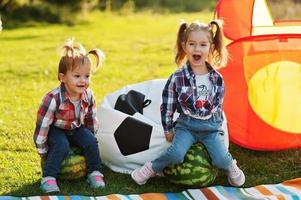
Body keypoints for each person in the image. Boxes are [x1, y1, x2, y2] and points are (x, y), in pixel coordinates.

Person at [131, 19, 245, 187]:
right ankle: (152, 167)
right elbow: (167, 105)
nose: (197, 49)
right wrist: (168, 128)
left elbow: (218, 108)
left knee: (221, 158)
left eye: (202, 45)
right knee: (176, 154)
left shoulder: (217, 79)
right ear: (185, 47)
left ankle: (231, 167)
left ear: (211, 48)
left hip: (210, 128)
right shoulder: (178, 77)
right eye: (192, 44)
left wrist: (218, 130)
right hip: (187, 126)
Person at [33, 38, 105, 193]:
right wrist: (43, 151)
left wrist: (88, 137)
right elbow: (42, 126)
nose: (83, 81)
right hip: (56, 129)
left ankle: (95, 172)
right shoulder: (53, 99)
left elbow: (91, 118)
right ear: (62, 77)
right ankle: (48, 177)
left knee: (91, 141)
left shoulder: (88, 95)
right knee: (61, 145)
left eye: (87, 76)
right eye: (77, 76)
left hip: (76, 128)